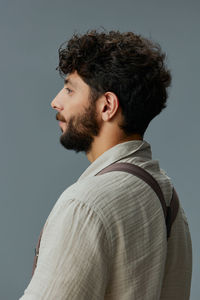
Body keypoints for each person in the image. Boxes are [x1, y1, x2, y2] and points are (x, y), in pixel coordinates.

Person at [19, 29, 192, 299]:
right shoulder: (167, 198)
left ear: (107, 106)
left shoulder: (85, 204)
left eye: (69, 89)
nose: (56, 102)